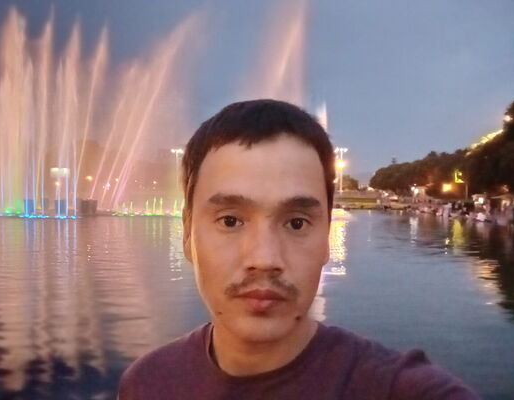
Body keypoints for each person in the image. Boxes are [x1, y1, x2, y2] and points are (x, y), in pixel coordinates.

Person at [118, 99, 480, 399]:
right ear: (187, 233)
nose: (264, 259)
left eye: (296, 223)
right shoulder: (147, 384)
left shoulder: (398, 390)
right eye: (230, 221)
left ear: (326, 237)